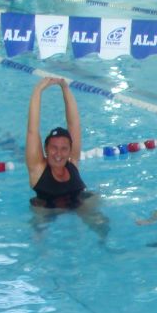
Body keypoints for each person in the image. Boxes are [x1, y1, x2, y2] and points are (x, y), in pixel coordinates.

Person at [26, 77, 108, 239]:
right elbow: (32, 130)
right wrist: (38, 91)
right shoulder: (37, 168)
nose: (58, 154)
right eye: (53, 148)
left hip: (78, 204)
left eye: (64, 149)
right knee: (39, 238)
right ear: (46, 149)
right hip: (47, 210)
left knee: (103, 225)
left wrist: (65, 88)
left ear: (70, 150)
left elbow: (74, 124)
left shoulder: (73, 162)